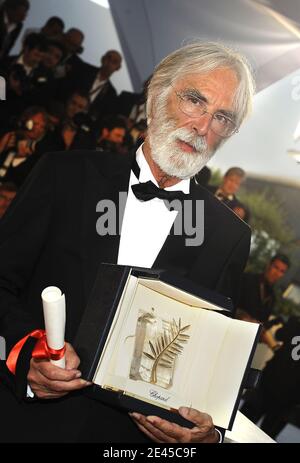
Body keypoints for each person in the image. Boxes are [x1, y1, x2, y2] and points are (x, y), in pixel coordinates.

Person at [0, 41, 255, 443]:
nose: (203, 127)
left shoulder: (229, 237)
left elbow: (206, 368)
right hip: (23, 423)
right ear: (156, 97)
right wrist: (20, 355)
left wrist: (208, 436)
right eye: (195, 101)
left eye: (222, 117)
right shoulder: (64, 175)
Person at [236, 253, 290, 348]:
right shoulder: (247, 280)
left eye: (282, 271)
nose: (277, 273)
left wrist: (273, 323)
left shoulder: (272, 298)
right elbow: (230, 305)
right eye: (276, 267)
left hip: (245, 343)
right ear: (269, 265)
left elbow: (261, 326)